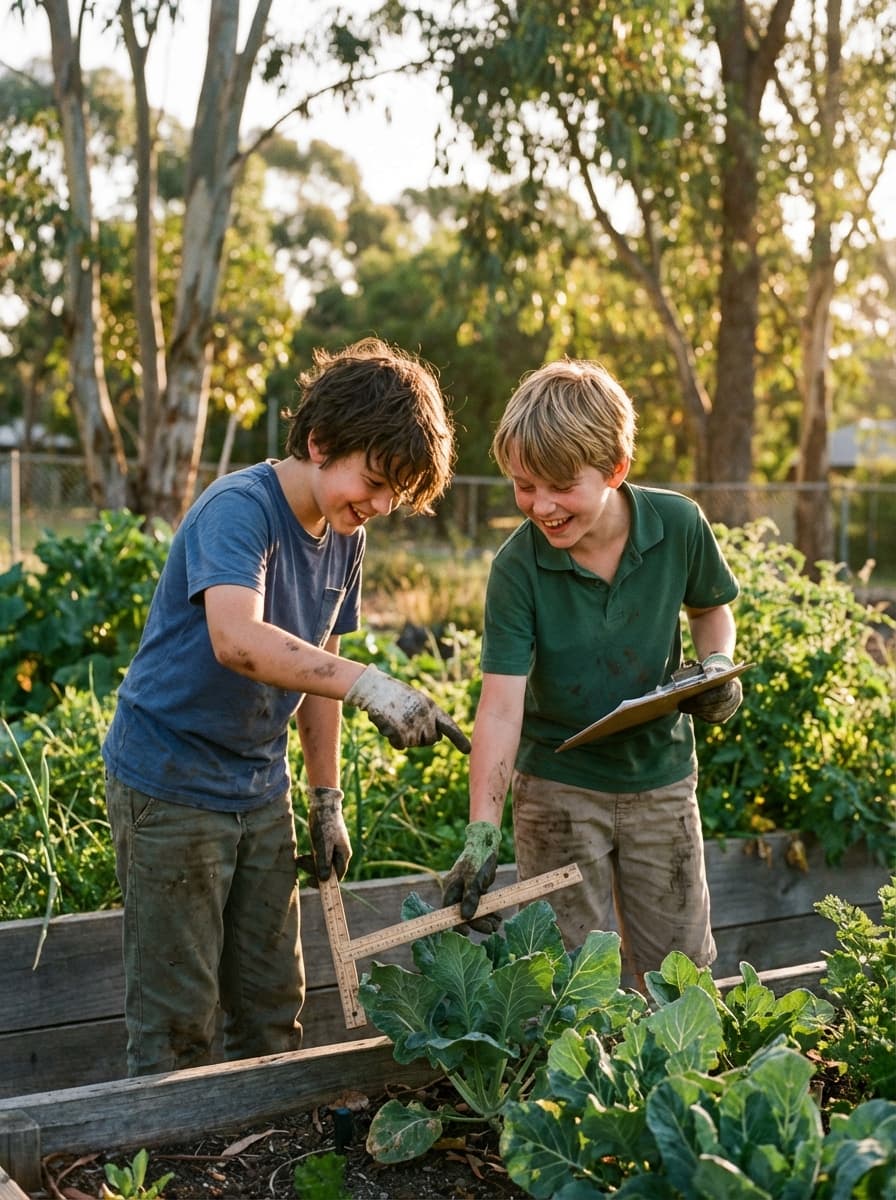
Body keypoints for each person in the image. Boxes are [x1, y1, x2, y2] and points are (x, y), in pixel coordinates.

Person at [102, 337, 470, 1076]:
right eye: (372, 481)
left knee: (273, 1008)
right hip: (171, 785)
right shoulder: (241, 510)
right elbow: (237, 640)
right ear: (319, 442)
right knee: (180, 1022)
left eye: (394, 494)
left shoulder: (344, 535)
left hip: (257, 788)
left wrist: (324, 799)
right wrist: (372, 683)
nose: (377, 505)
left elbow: (316, 679)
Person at [442, 358, 742, 988]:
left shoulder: (679, 525)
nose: (541, 506)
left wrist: (714, 667)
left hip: (659, 780)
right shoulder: (517, 569)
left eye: (560, 486)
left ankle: (676, 1086)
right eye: (524, 485)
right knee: (566, 977)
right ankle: (578, 1086)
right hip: (558, 789)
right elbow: (500, 707)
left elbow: (711, 611)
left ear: (615, 470)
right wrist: (481, 826)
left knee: (680, 971)